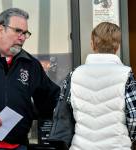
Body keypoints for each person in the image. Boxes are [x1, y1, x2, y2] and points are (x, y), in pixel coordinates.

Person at [49, 22, 136, 150]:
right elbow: (134, 117)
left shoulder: (74, 75)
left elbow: (62, 113)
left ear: (92, 44)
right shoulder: (126, 75)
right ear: (117, 47)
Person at [0, 8, 60, 150]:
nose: (22, 37)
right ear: (1, 29)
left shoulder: (30, 64)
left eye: (25, 33)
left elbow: (50, 100)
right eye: (18, 31)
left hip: (18, 146)